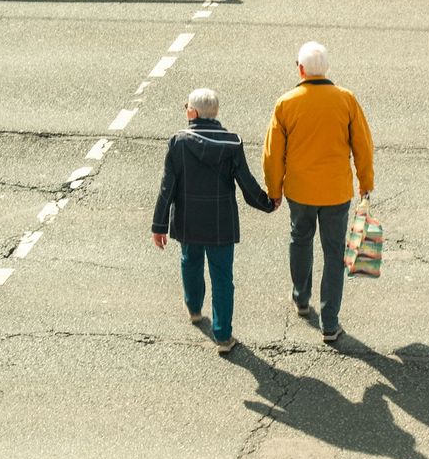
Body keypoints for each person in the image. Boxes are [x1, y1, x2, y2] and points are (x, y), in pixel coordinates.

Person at [263, 41, 374, 344]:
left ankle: (301, 298)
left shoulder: (286, 103)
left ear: (300, 69)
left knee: (300, 239)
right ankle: (330, 323)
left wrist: (274, 190)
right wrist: (365, 182)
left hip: (299, 191)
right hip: (336, 191)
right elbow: (363, 146)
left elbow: (273, 154)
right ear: (326, 69)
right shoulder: (346, 100)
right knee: (334, 252)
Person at [152, 88, 275, 354]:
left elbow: (167, 187)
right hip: (221, 221)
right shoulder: (232, 143)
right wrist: (268, 203)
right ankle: (223, 336)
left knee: (190, 262)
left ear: (193, 113)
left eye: (186, 106)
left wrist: (159, 225)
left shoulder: (178, 142)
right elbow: (246, 182)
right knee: (222, 278)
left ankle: (194, 308)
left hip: (188, 219)